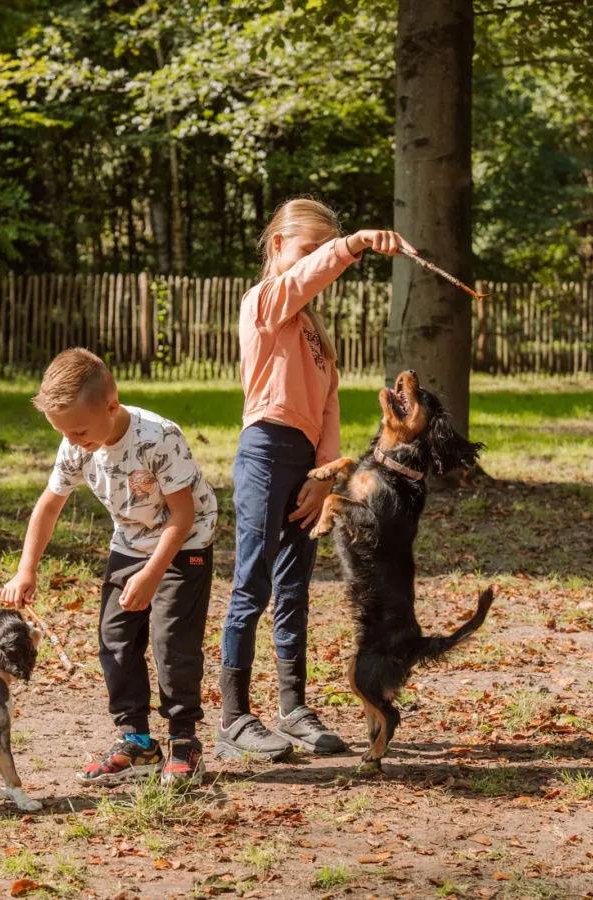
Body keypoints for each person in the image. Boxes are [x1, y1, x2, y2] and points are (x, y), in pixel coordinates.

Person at [216, 197, 415, 761]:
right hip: (264, 451)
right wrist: (350, 245)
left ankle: (292, 707)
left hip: (305, 464)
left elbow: (328, 409)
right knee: (252, 584)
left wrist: (324, 479)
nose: (316, 264)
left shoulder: (314, 333)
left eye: (321, 249)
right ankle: (233, 718)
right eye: (308, 249)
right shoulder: (264, 302)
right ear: (278, 246)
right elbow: (305, 277)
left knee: (294, 586)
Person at [1, 348, 217, 786]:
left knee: (171, 641)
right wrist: (27, 569)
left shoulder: (159, 438)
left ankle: (183, 742)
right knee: (116, 638)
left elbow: (183, 516)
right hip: (130, 540)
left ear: (111, 406)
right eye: (65, 433)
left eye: (79, 430)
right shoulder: (77, 443)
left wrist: (153, 573)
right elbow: (49, 506)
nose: (74, 440)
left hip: (184, 542)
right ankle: (137, 742)